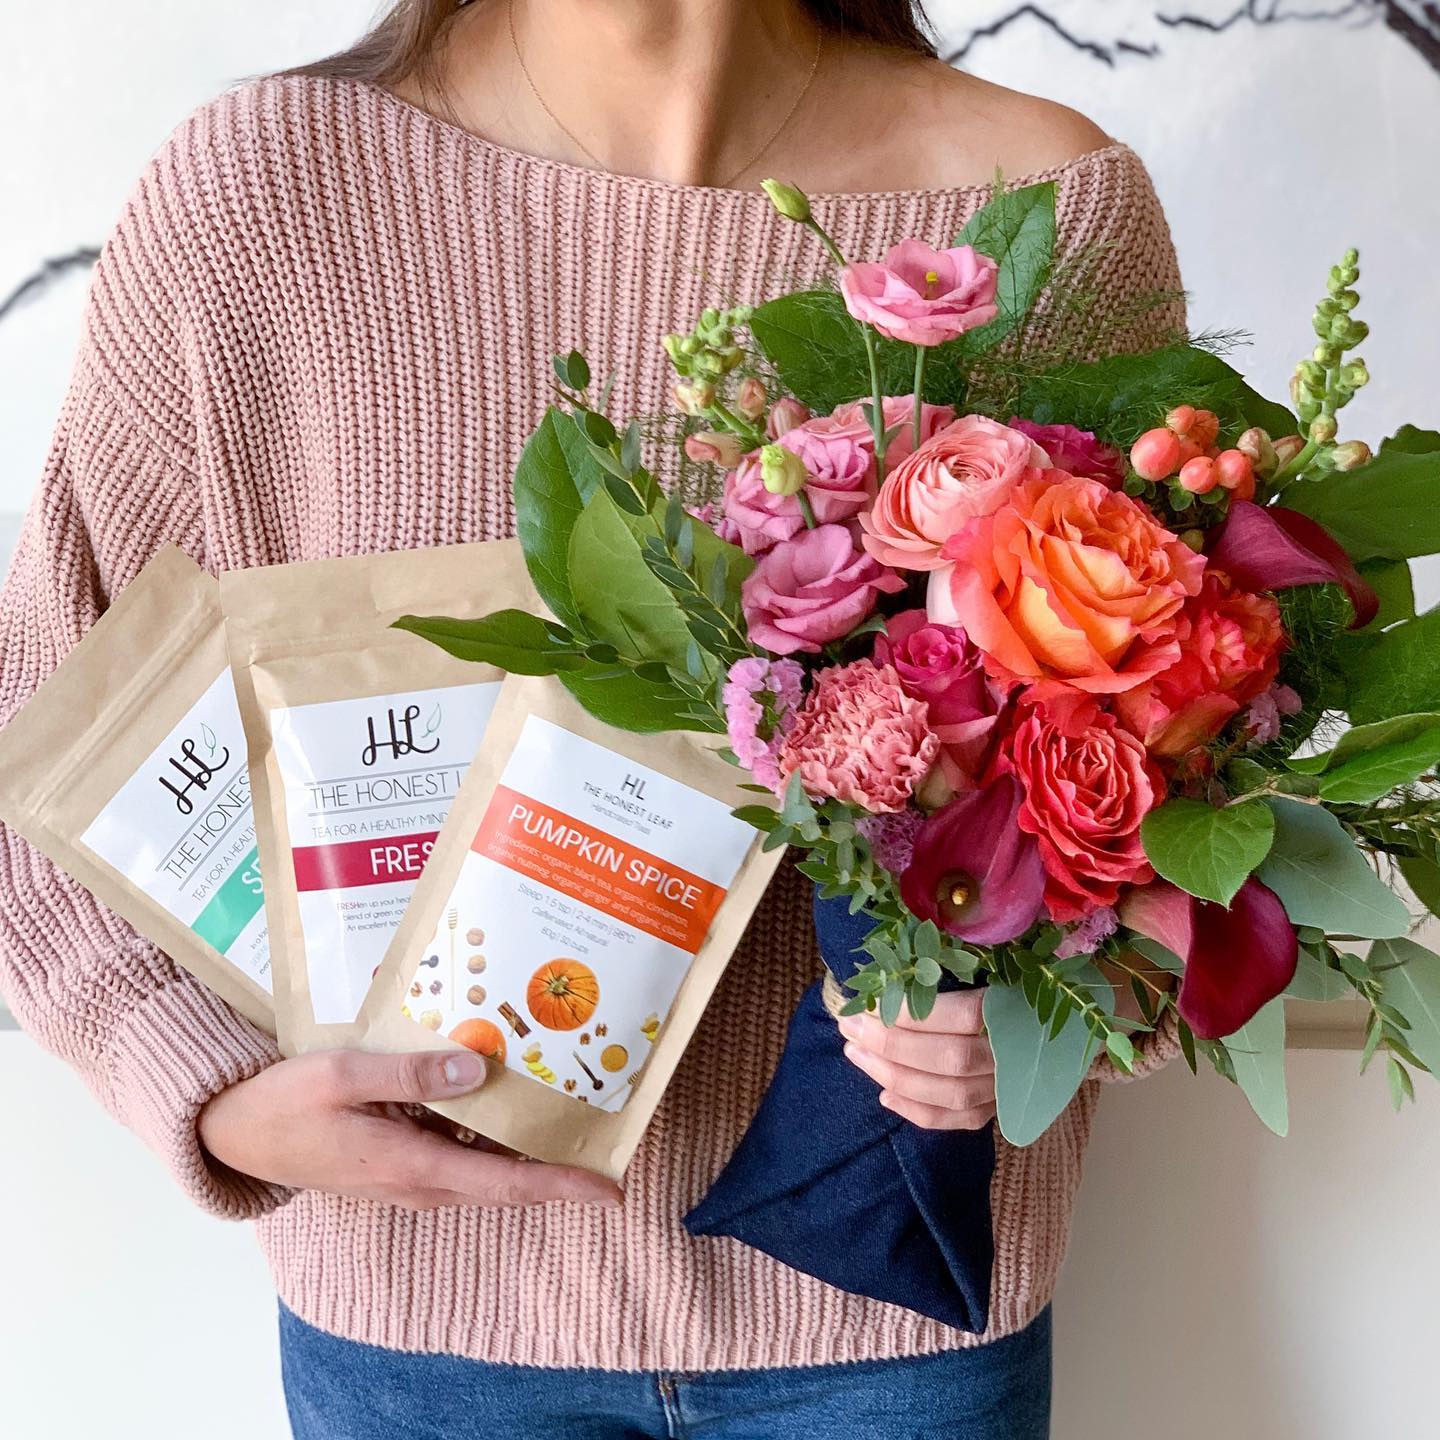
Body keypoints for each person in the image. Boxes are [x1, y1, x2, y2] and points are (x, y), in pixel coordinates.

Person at [0, 3, 1185, 1435]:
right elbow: (41, 719)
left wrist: (1052, 1013)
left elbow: (1173, 770)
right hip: (416, 1330)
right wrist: (204, 1092)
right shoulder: (260, 200)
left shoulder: (1043, 213)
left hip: (898, 1319)